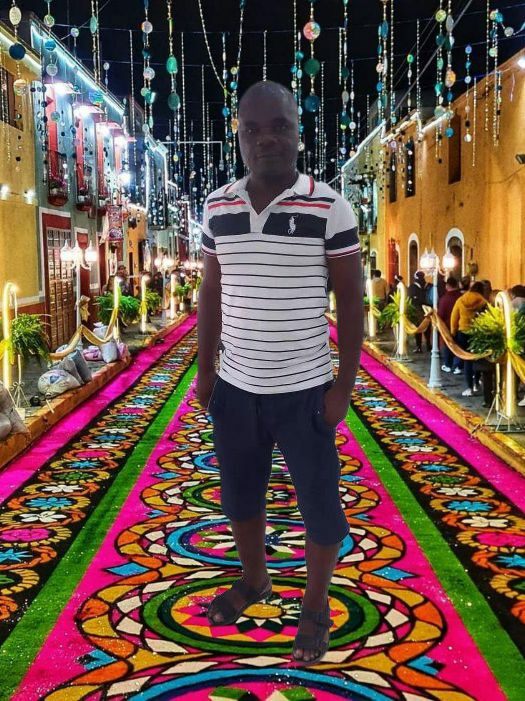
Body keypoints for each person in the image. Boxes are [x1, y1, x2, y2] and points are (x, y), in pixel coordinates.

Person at [196, 80, 363, 666]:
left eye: (279, 126)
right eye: (253, 129)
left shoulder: (330, 207)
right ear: (239, 136)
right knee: (239, 495)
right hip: (236, 389)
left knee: (320, 502)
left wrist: (343, 387)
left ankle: (315, 606)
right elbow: (211, 291)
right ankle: (255, 579)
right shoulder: (217, 207)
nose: (266, 138)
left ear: (298, 131)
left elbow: (351, 302)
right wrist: (205, 373)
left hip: (305, 391)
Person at [450, 281, 487, 397]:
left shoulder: (461, 300)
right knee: (478, 358)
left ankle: (469, 388)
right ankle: (476, 383)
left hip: (463, 333)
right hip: (478, 333)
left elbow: (454, 317)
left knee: (467, 360)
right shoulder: (483, 301)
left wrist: (453, 332)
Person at [437, 276, 462, 373]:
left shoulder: (444, 299)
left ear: (447, 286)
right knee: (460, 346)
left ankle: (448, 364)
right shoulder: (461, 297)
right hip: (460, 326)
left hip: (447, 326)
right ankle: (458, 366)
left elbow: (441, 315)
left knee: (448, 345)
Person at [408, 271, 431, 352]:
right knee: (427, 328)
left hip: (417, 310)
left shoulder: (412, 287)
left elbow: (409, 298)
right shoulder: (429, 286)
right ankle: (428, 345)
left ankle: (419, 347)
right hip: (428, 309)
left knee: (418, 328)